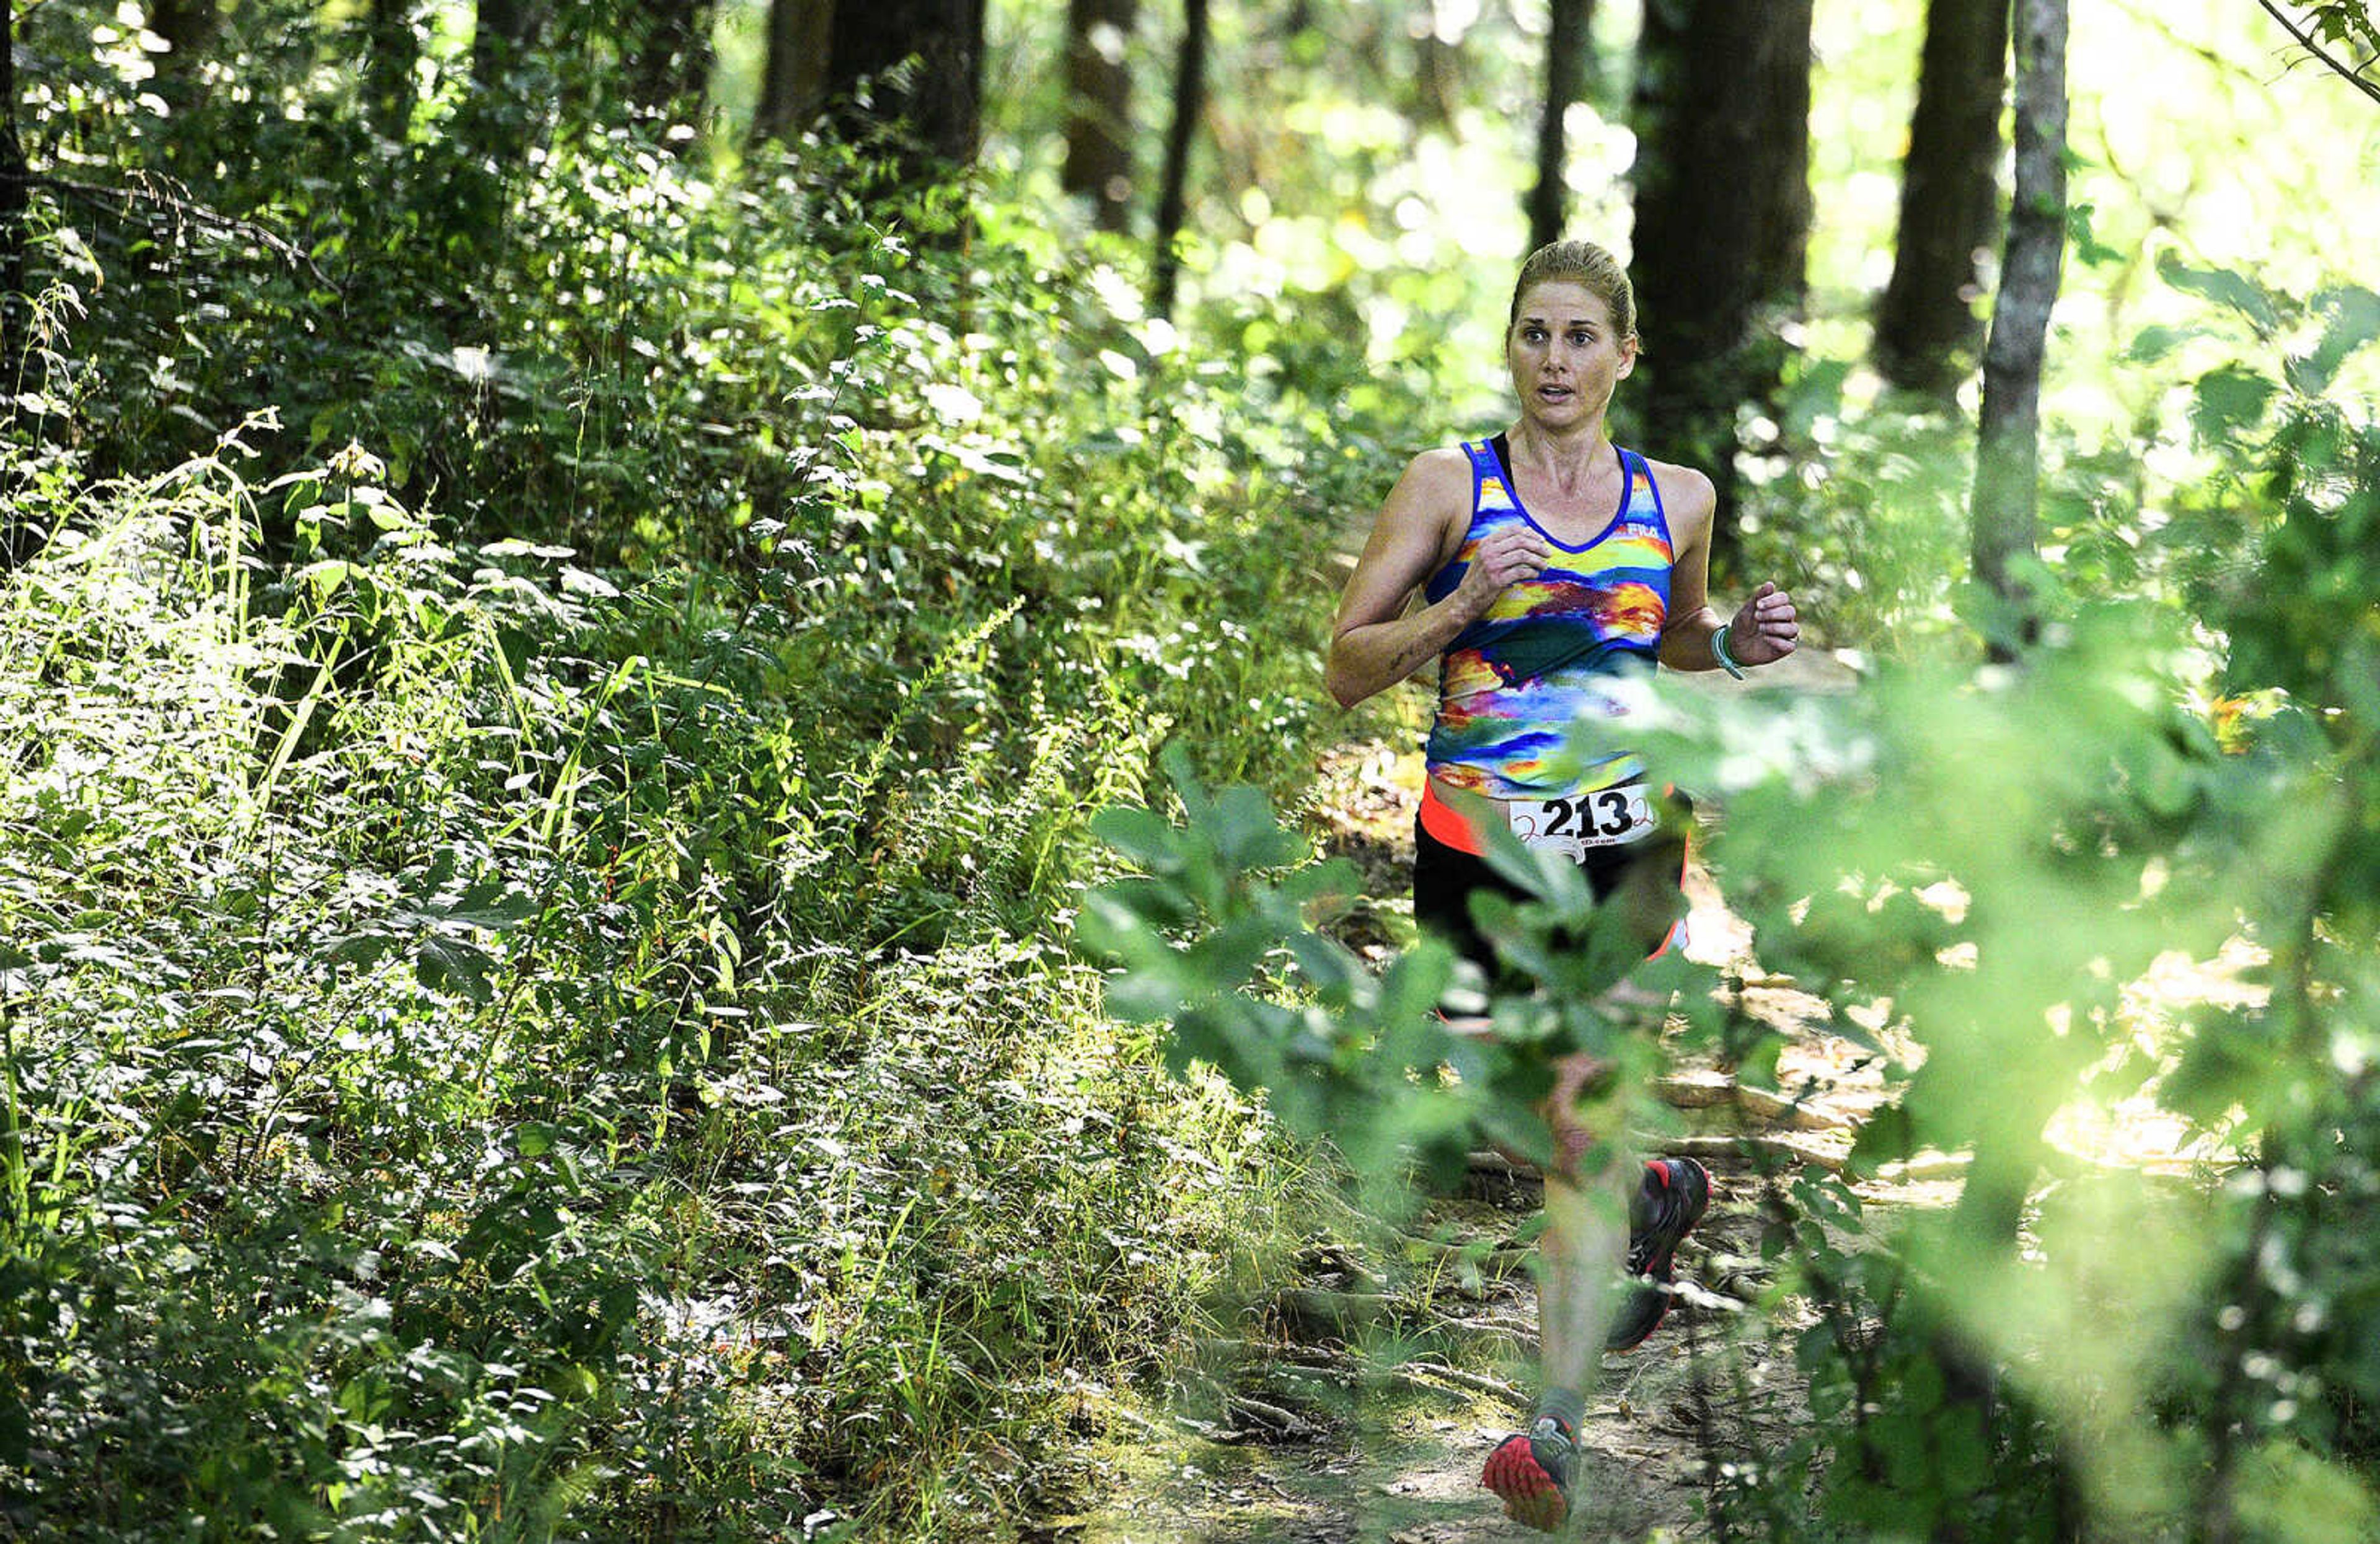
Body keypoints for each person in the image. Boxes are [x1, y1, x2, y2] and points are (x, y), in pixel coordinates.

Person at [1324, 239, 1800, 1532]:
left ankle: (1554, 1427)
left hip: (1624, 845)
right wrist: (1459, 604)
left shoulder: (1678, 497)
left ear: (1624, 355)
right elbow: (1347, 665)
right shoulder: (1450, 483)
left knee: (1580, 1126)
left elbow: (1672, 634)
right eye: (1536, 333)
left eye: (1582, 336)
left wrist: (1736, 647)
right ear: (1510, 348)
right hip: (1478, 847)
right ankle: (1657, 1197)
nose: (1555, 359)